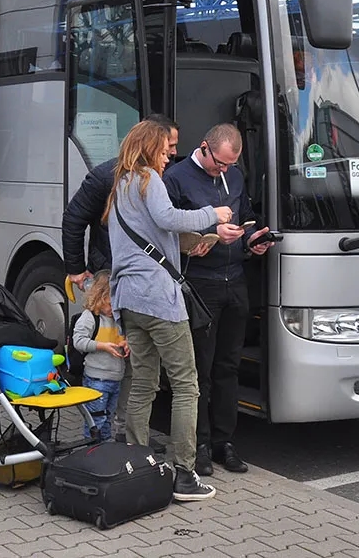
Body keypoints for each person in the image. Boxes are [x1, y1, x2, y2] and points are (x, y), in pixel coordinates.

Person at [105, 120, 233, 502]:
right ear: (148, 149)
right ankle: (184, 474)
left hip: (128, 298)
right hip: (158, 298)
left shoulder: (122, 184)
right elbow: (169, 218)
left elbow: (152, 234)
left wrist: (191, 244)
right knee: (186, 385)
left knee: (144, 382)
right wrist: (213, 214)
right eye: (163, 151)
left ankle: (135, 463)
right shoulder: (149, 178)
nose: (167, 158)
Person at [164, 123, 274, 476]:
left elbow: (245, 218)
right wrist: (211, 233)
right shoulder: (176, 178)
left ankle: (223, 442)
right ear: (204, 148)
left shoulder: (235, 176)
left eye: (230, 165)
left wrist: (252, 240)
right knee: (200, 369)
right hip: (201, 282)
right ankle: (197, 445)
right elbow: (166, 228)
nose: (223, 170)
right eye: (219, 163)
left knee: (229, 366)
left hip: (235, 279)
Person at [63, 114, 180, 289]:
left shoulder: (170, 175)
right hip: (112, 272)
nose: (174, 152)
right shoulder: (106, 176)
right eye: (169, 146)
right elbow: (74, 218)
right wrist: (76, 269)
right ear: (150, 143)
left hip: (156, 275)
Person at [71, 270, 126, 442]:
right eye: (109, 304)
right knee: (96, 419)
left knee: (107, 417)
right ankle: (92, 447)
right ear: (99, 298)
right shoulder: (90, 317)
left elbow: (124, 338)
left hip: (115, 378)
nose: (112, 310)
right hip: (97, 378)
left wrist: (127, 344)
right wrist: (102, 346)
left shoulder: (118, 319)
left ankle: (105, 447)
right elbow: (78, 341)